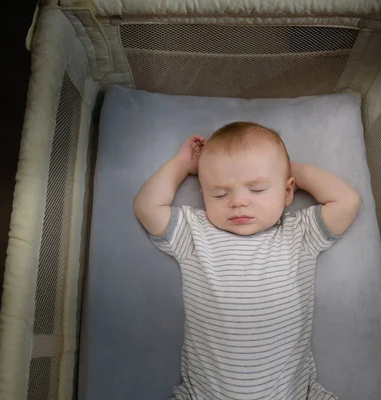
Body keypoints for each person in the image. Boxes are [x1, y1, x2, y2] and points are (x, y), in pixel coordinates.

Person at [134, 122, 361, 399]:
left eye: (257, 189)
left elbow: (347, 201)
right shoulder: (195, 233)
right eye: (220, 193)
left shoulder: (298, 233)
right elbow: (147, 207)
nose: (239, 201)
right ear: (203, 195)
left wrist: (288, 169)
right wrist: (182, 163)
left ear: (288, 192)